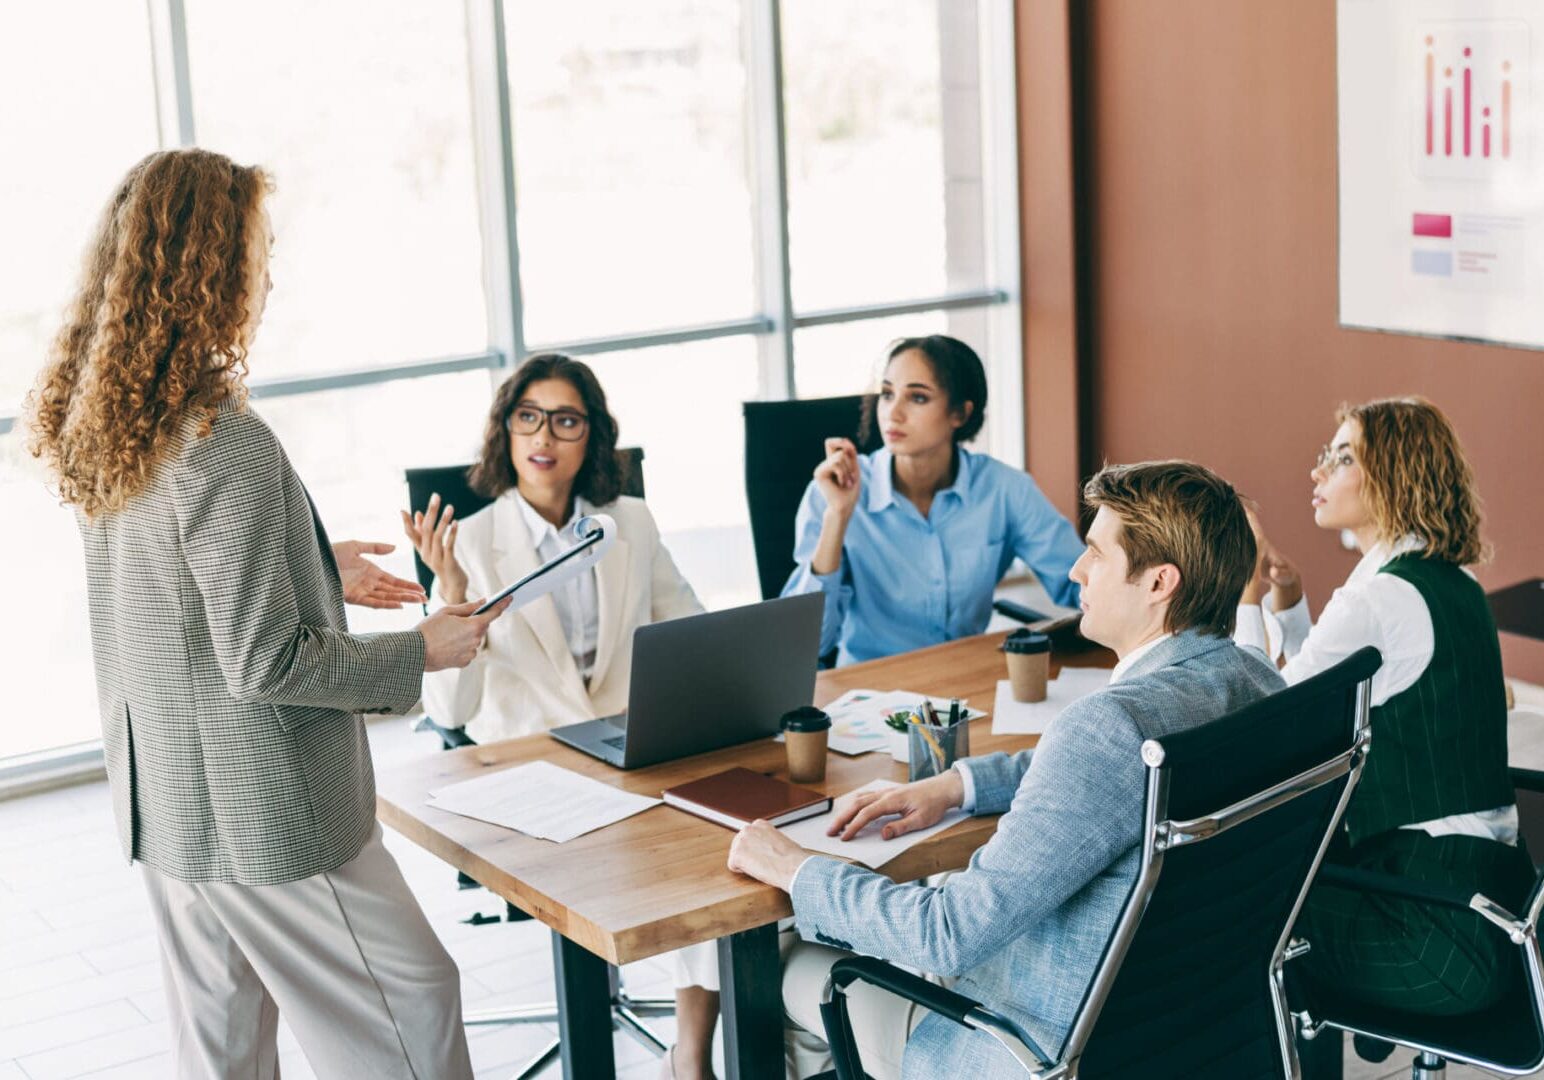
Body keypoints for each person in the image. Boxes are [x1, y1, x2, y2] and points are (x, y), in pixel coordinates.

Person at [24, 149, 505, 1080]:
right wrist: (424, 650)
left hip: (169, 806)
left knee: (225, 1052)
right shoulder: (222, 438)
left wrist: (312, 566)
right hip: (265, 812)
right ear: (207, 268)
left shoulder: (116, 423)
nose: (268, 271)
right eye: (256, 248)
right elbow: (266, 661)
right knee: (411, 1007)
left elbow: (166, 594)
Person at [730, 461, 1284, 1079]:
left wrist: (795, 867)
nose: (1076, 571)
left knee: (779, 958)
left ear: (1159, 583)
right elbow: (1108, 768)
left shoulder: (1110, 726)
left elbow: (949, 934)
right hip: (1183, 1025)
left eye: (1096, 554)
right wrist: (958, 784)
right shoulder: (1258, 684)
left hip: (1025, 1046)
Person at [403, 353, 716, 1080]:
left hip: (629, 753)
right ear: (506, 433)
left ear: (592, 438)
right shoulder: (472, 544)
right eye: (528, 417)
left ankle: (691, 1056)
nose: (545, 435)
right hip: (532, 773)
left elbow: (690, 634)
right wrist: (447, 595)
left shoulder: (627, 523)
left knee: (713, 854)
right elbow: (451, 711)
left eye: (566, 419)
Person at [1238, 397, 1532, 1027]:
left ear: (1393, 476)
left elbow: (1255, 729)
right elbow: (1332, 693)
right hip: (1492, 920)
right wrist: (1287, 609)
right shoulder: (1452, 582)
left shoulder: (1379, 599)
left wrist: (1245, 596)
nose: (1317, 473)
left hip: (1431, 931)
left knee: (1235, 907)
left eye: (1342, 457)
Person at [782, 335, 1082, 665]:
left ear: (959, 414)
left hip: (962, 683)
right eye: (887, 394)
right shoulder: (832, 493)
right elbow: (806, 644)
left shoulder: (1004, 489)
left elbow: (1080, 584)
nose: (892, 413)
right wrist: (837, 516)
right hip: (869, 689)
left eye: (918, 398)